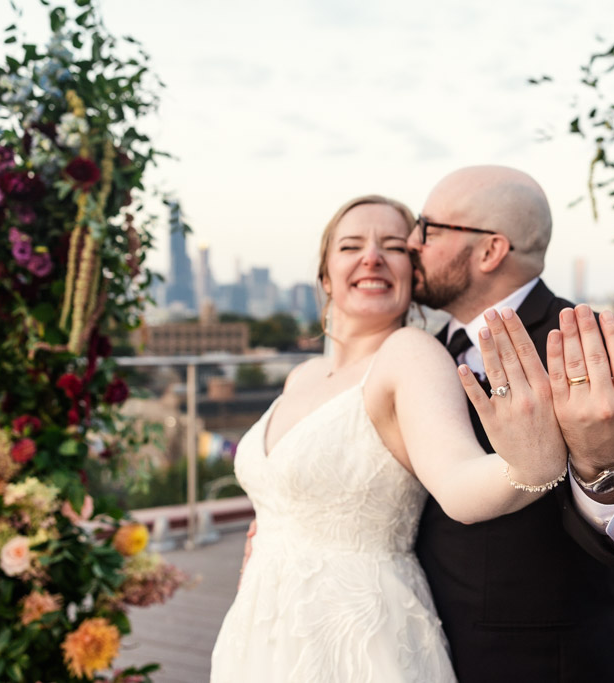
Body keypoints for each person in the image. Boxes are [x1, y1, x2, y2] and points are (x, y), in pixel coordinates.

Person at [210, 195, 576, 682]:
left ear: (413, 275)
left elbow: (458, 479)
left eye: (393, 247)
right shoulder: (303, 375)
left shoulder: (410, 355)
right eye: (351, 245)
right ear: (324, 276)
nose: (372, 257)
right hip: (260, 630)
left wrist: (528, 468)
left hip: (357, 638)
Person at [408, 165, 614, 682]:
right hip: (421, 648)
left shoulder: (588, 345)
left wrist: (603, 462)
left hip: (550, 663)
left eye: (428, 228)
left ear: (489, 251)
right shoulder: (421, 353)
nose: (411, 242)